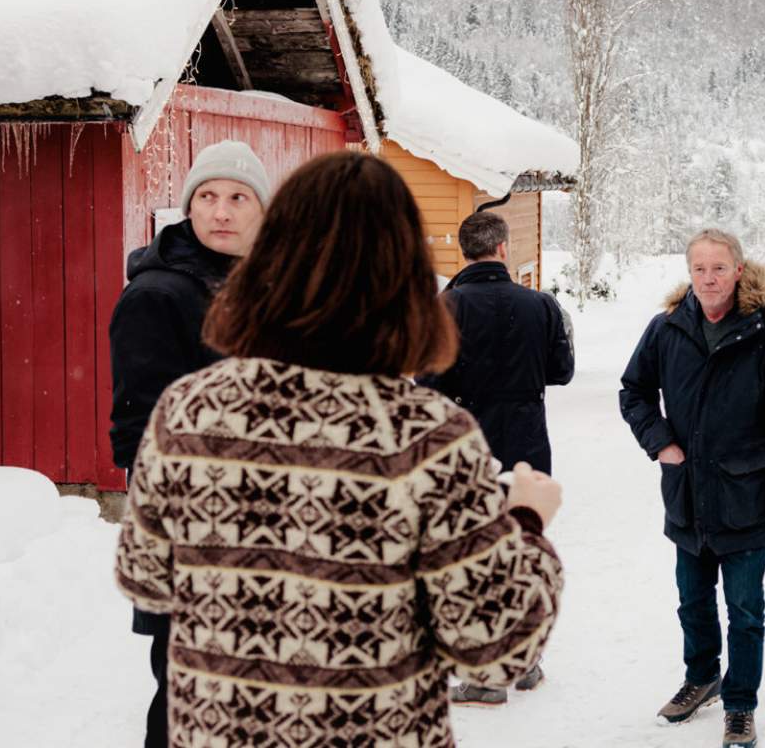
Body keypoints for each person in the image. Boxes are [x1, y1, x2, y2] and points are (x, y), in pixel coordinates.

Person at [113, 152, 564, 747]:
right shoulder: (427, 437)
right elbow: (493, 648)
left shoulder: (190, 411)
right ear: (403, 274)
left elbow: (145, 579)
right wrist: (526, 522)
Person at [619, 229, 765, 748]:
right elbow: (633, 390)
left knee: (746, 609)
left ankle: (740, 704)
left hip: (745, 495)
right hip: (687, 492)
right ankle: (701, 677)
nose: (709, 279)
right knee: (692, 599)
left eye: (719, 268)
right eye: (700, 269)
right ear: (690, 273)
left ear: (738, 270)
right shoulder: (666, 329)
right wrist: (659, 440)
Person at [106, 139, 270, 748]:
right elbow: (141, 436)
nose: (220, 211)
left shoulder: (267, 290)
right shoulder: (160, 296)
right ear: (189, 208)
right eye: (206, 197)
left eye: (236, 197)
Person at [431, 209, 574, 705]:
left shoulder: (447, 308)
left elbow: (427, 386)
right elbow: (562, 371)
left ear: (463, 252)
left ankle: (488, 676)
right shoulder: (541, 305)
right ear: (502, 249)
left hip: (470, 446)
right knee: (521, 547)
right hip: (529, 443)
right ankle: (526, 660)